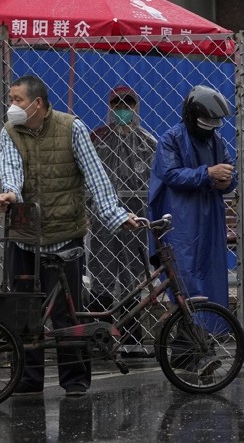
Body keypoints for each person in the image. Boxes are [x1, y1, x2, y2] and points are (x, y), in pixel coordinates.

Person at [0, 75, 139, 397]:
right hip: (24, 237)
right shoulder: (10, 132)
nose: (12, 106)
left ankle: (74, 381)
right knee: (26, 311)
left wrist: (116, 215)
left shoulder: (71, 128)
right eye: (11, 99)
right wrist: (10, 194)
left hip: (65, 237)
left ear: (38, 104)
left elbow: (96, 177)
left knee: (66, 314)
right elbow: (11, 171)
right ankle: (28, 379)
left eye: (17, 100)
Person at [147, 85, 236, 308]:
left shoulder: (215, 141)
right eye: (207, 121)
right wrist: (207, 173)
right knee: (184, 274)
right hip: (181, 220)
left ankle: (207, 331)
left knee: (211, 272)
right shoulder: (171, 139)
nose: (211, 128)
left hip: (209, 221)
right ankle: (188, 332)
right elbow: (170, 174)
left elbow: (228, 169)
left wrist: (227, 180)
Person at [87, 85, 157, 354]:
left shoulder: (146, 142)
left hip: (134, 216)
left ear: (135, 107)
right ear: (110, 107)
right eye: (118, 105)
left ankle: (132, 337)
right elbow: (86, 177)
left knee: (132, 277)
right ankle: (100, 337)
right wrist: (87, 209)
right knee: (102, 274)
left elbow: (155, 179)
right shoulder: (98, 139)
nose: (123, 111)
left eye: (127, 105)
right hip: (103, 218)